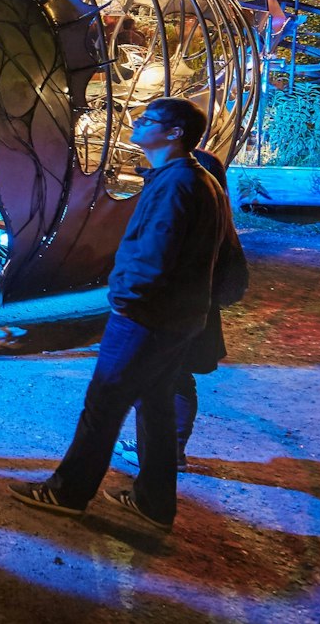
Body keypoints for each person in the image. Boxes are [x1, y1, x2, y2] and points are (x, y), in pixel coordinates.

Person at [10, 97, 236, 533]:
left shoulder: (177, 184)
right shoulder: (190, 178)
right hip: (176, 317)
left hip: (147, 316)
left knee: (104, 404)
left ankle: (67, 493)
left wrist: (125, 300)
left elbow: (155, 254)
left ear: (174, 133)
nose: (138, 122)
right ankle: (153, 503)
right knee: (155, 405)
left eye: (149, 119)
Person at [115, 149, 247, 471]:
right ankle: (165, 450)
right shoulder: (215, 217)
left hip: (175, 316)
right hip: (192, 315)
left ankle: (163, 455)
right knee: (174, 380)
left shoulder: (191, 218)